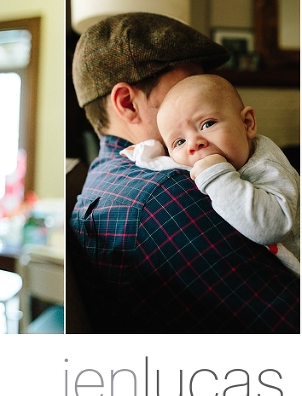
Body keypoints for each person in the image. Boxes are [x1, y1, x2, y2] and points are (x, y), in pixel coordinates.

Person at [69, 12, 300, 333]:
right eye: (182, 90)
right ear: (127, 103)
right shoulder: (166, 192)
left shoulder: (105, 178)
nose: (198, 99)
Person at [120, 74, 300, 275]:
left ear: (247, 123)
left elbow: (270, 228)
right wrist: (146, 155)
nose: (194, 144)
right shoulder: (219, 155)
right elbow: (177, 164)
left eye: (207, 124)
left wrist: (216, 175)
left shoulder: (267, 166)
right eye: (179, 142)